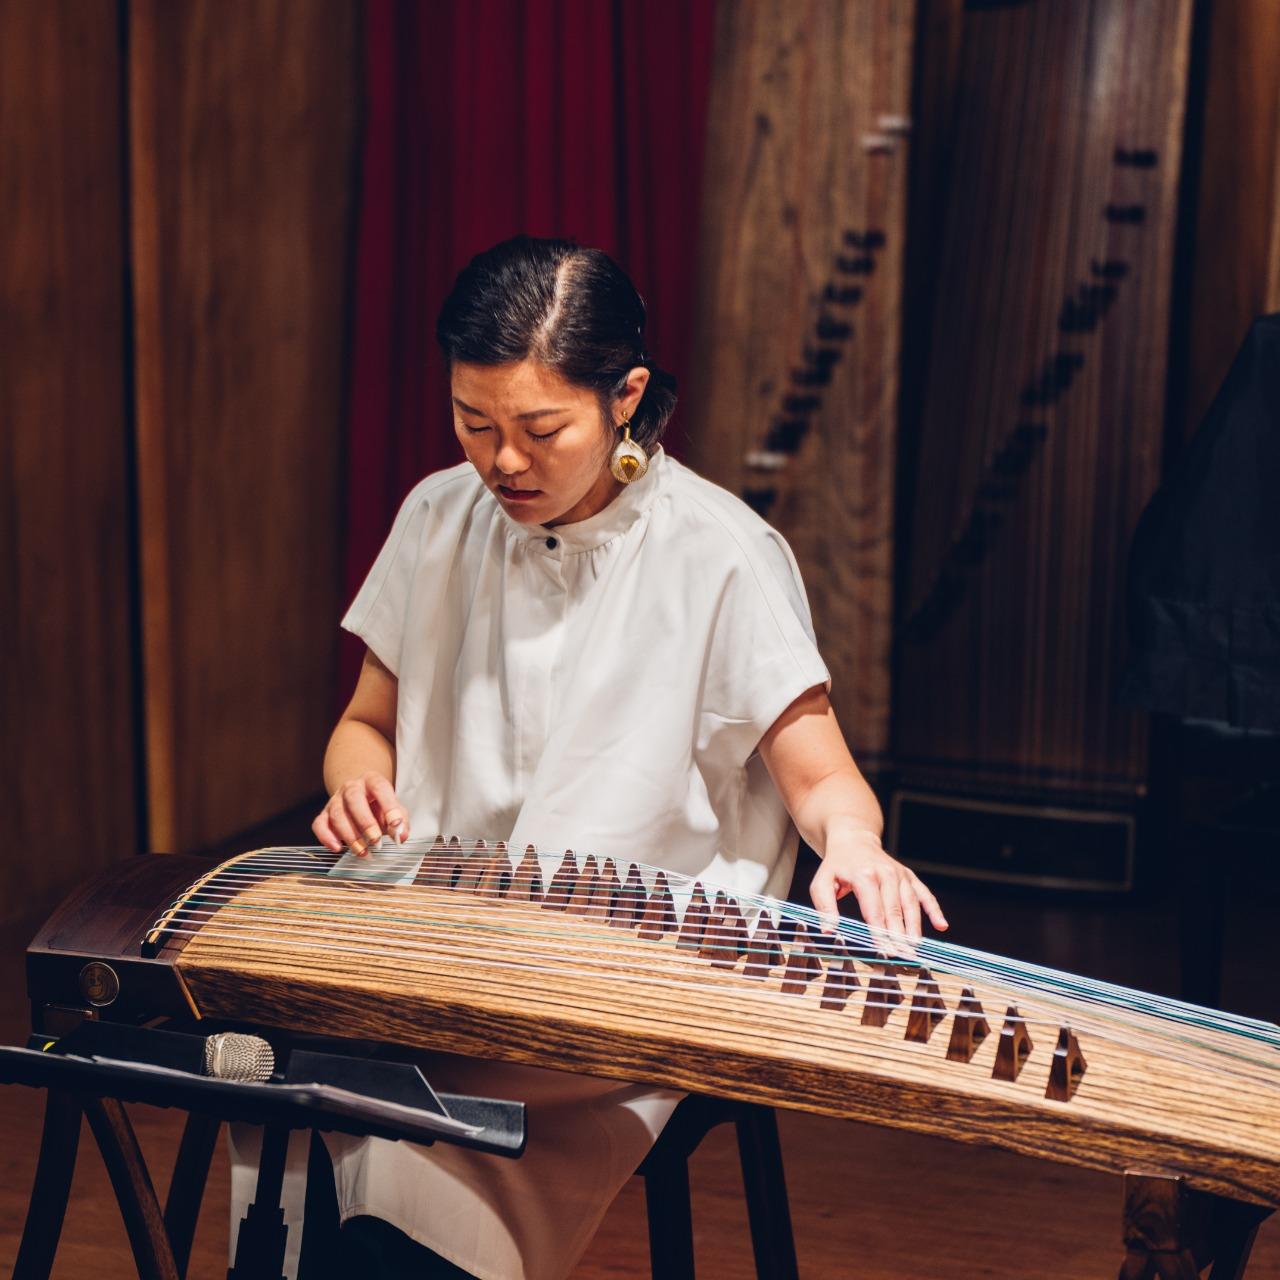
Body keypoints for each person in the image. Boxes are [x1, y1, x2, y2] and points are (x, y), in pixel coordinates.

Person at [307, 235, 947, 1280]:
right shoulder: (437, 513)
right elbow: (365, 723)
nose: (502, 463)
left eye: (539, 430)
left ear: (626, 398)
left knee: (407, 1165)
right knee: (281, 1082)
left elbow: (823, 778)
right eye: (473, 423)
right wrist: (355, 784)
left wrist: (857, 845)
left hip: (614, 978)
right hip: (432, 945)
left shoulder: (718, 551)